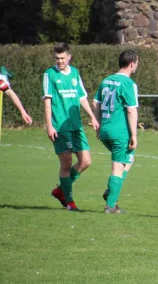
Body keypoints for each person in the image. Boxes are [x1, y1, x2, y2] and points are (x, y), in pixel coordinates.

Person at [43, 43, 99, 211]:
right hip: (60, 126)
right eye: (57, 58)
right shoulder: (49, 74)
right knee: (66, 164)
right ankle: (69, 202)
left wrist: (92, 115)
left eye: (62, 58)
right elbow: (47, 101)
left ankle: (61, 190)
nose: (59, 61)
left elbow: (81, 96)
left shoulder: (75, 73)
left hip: (76, 125)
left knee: (86, 161)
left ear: (69, 57)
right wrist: (49, 126)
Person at [93, 50, 139, 214]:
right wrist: (134, 135)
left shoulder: (106, 81)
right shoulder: (129, 84)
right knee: (118, 168)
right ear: (132, 63)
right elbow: (131, 111)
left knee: (129, 159)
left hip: (105, 130)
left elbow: (95, 103)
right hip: (120, 132)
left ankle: (111, 191)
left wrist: (98, 123)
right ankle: (110, 205)